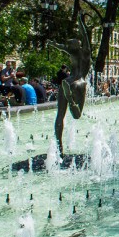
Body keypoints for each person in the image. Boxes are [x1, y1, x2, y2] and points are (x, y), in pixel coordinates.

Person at [48, 14, 92, 154]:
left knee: (60, 114)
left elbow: (61, 47)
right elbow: (85, 35)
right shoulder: (85, 53)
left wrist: (52, 43)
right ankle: (72, 102)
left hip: (67, 81)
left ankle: (59, 148)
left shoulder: (71, 52)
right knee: (77, 115)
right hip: (80, 82)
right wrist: (80, 22)